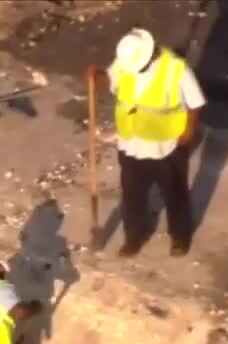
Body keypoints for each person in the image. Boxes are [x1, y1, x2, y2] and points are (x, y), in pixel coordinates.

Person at [87, 28, 206, 257]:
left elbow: (196, 102)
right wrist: (96, 77)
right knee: (132, 196)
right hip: (132, 143)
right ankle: (134, 238)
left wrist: (189, 129)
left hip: (166, 146)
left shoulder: (176, 70)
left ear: (150, 55)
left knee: (174, 194)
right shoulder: (126, 62)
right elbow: (110, 79)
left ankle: (180, 237)